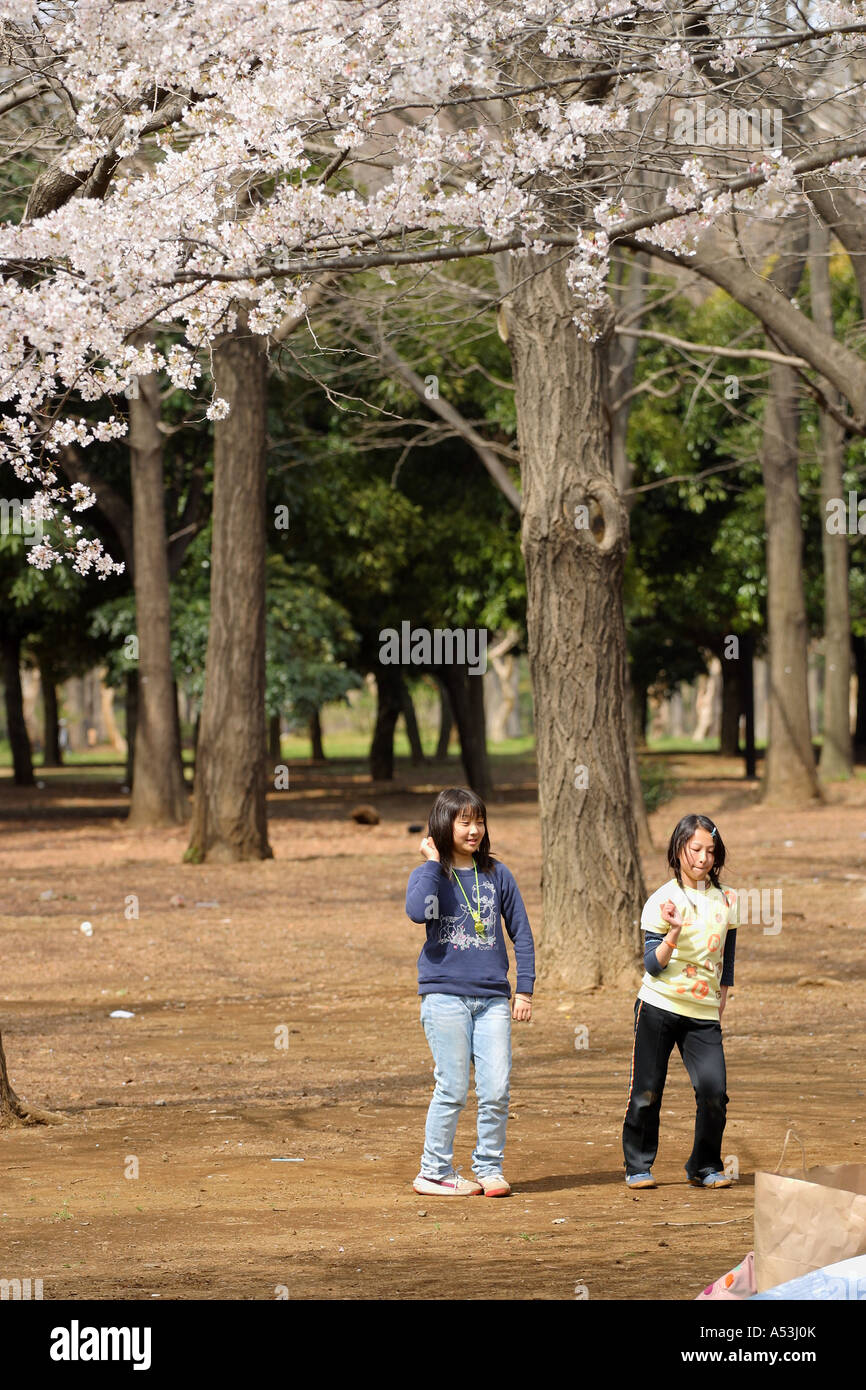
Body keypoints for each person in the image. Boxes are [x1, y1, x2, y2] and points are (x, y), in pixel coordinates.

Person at [406, 786, 535, 1197]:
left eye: (479, 821)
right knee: (453, 1086)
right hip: (444, 995)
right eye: (464, 822)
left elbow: (523, 936)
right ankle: (433, 1170)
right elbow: (416, 912)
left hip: (493, 998)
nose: (474, 830)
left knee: (496, 1088)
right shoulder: (431, 875)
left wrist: (525, 991)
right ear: (444, 825)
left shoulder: (498, 875)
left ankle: (489, 1167)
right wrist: (431, 862)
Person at [622, 812, 738, 1190]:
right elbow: (653, 966)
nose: (703, 858)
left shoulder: (726, 900)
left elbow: (728, 954)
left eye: (710, 850)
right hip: (658, 1006)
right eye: (695, 849)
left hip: (703, 1014)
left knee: (714, 1092)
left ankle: (704, 1165)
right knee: (647, 1090)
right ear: (678, 850)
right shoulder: (662, 899)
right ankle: (638, 1165)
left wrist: (722, 993)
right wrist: (673, 931)